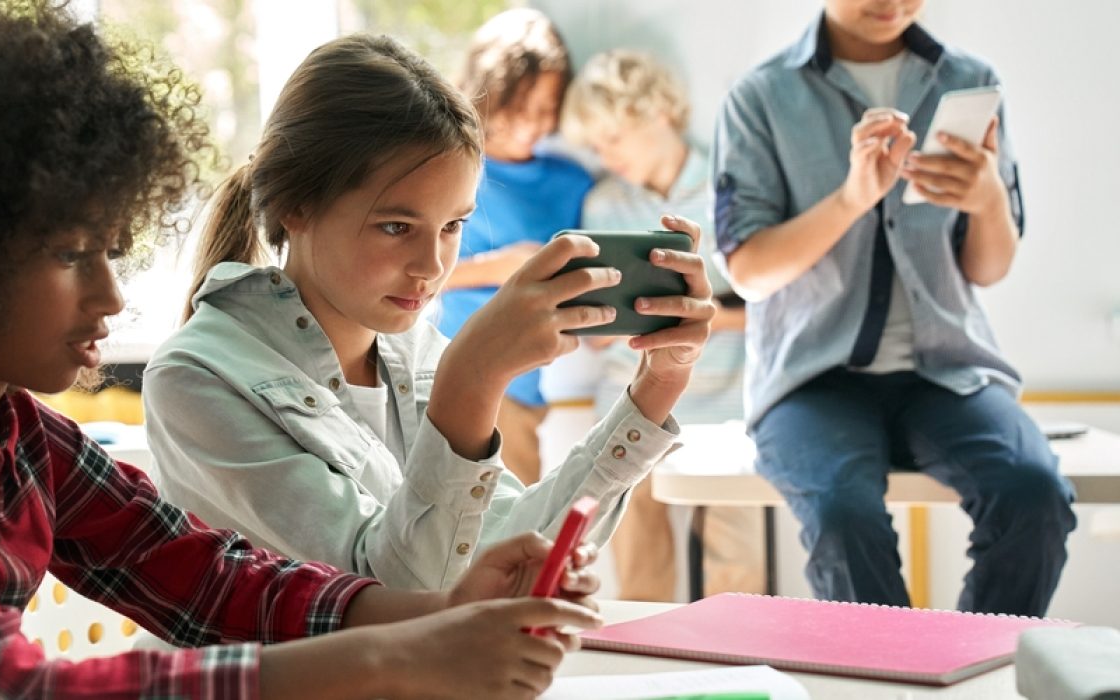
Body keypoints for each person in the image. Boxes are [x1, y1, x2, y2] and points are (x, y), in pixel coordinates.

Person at [0, 2, 608, 697]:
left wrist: (438, 615)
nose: (110, 295)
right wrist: (392, 660)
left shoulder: (24, 438)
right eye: (72, 256)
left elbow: (211, 580)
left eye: (110, 250)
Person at [141, 34, 715, 591]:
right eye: (396, 226)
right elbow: (399, 598)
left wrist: (657, 385)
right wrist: (473, 378)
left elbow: (509, 552)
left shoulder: (413, 351)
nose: (431, 266)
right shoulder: (196, 380)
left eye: (453, 226)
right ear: (296, 205)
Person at [712, 0, 1075, 615]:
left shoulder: (970, 81)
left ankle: (968, 669)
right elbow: (748, 271)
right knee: (842, 517)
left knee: (1035, 494)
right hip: (811, 380)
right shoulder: (760, 97)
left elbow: (988, 268)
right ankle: (890, 679)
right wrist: (853, 198)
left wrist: (987, 200)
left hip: (948, 369)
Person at [560, 49, 763, 602]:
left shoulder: (733, 190)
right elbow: (597, 323)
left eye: (615, 138)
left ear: (661, 115)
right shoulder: (604, 204)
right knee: (635, 555)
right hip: (628, 401)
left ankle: (734, 670)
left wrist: (702, 318)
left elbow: (772, 304)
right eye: (597, 144)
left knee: (737, 563)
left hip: (725, 407)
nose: (607, 155)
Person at [436, 8, 593, 485]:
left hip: (535, 380)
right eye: (520, 107)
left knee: (515, 523)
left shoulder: (572, 182)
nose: (533, 123)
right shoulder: (452, 168)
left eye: (547, 109)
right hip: (460, 369)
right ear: (488, 91)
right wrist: (502, 267)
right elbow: (418, 273)